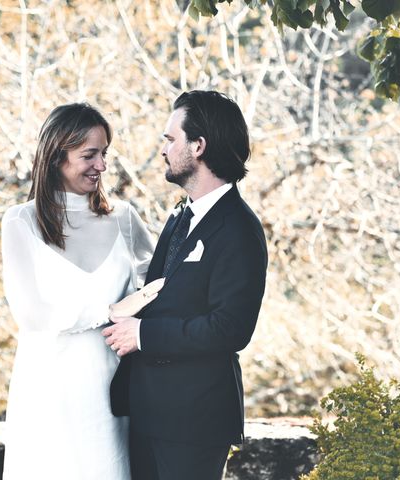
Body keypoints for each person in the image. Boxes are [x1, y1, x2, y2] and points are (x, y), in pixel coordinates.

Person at [104, 90, 268, 480]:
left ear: (198, 146)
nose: (163, 150)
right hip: (148, 414)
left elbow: (231, 329)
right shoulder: (180, 218)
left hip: (195, 421)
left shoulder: (240, 230)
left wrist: (143, 335)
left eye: (170, 139)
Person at [0, 103, 163, 480]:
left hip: (112, 393)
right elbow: (32, 315)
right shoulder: (20, 222)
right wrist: (113, 310)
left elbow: (155, 291)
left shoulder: (124, 218)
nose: (102, 166)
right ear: (57, 156)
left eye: (104, 153)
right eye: (89, 155)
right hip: (48, 392)